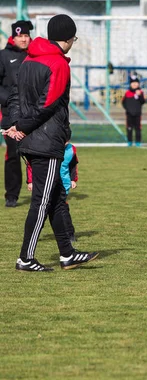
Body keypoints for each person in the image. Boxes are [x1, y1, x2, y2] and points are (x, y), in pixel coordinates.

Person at [5, 14, 98, 271]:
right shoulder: (58, 64)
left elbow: (14, 96)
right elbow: (47, 104)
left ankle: (67, 254)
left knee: (56, 197)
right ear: (67, 38)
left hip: (32, 138)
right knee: (42, 201)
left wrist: (13, 125)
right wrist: (21, 127)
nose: (73, 43)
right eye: (74, 39)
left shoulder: (27, 59)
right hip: (45, 142)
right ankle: (25, 258)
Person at [0, 20, 33, 207]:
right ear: (13, 37)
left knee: (36, 154)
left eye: (26, 35)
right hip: (10, 116)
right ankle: (11, 195)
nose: (23, 39)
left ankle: (39, 190)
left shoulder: (34, 55)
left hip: (32, 115)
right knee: (13, 155)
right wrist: (11, 100)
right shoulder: (3, 56)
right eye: (20, 36)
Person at [27, 128, 79, 243]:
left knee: (62, 208)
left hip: (63, 184)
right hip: (44, 183)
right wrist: (30, 181)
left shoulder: (71, 150)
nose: (64, 144)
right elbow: (31, 165)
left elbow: (73, 165)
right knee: (41, 208)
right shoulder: (46, 147)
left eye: (66, 141)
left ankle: (69, 234)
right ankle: (34, 235)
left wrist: (73, 179)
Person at [122, 74, 145, 146]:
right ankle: (129, 142)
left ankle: (138, 142)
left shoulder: (140, 92)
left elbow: (143, 101)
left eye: (136, 83)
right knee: (129, 128)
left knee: (138, 128)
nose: (134, 84)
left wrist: (139, 95)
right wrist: (128, 109)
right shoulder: (127, 93)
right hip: (129, 114)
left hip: (138, 114)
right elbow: (123, 102)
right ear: (130, 84)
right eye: (133, 83)